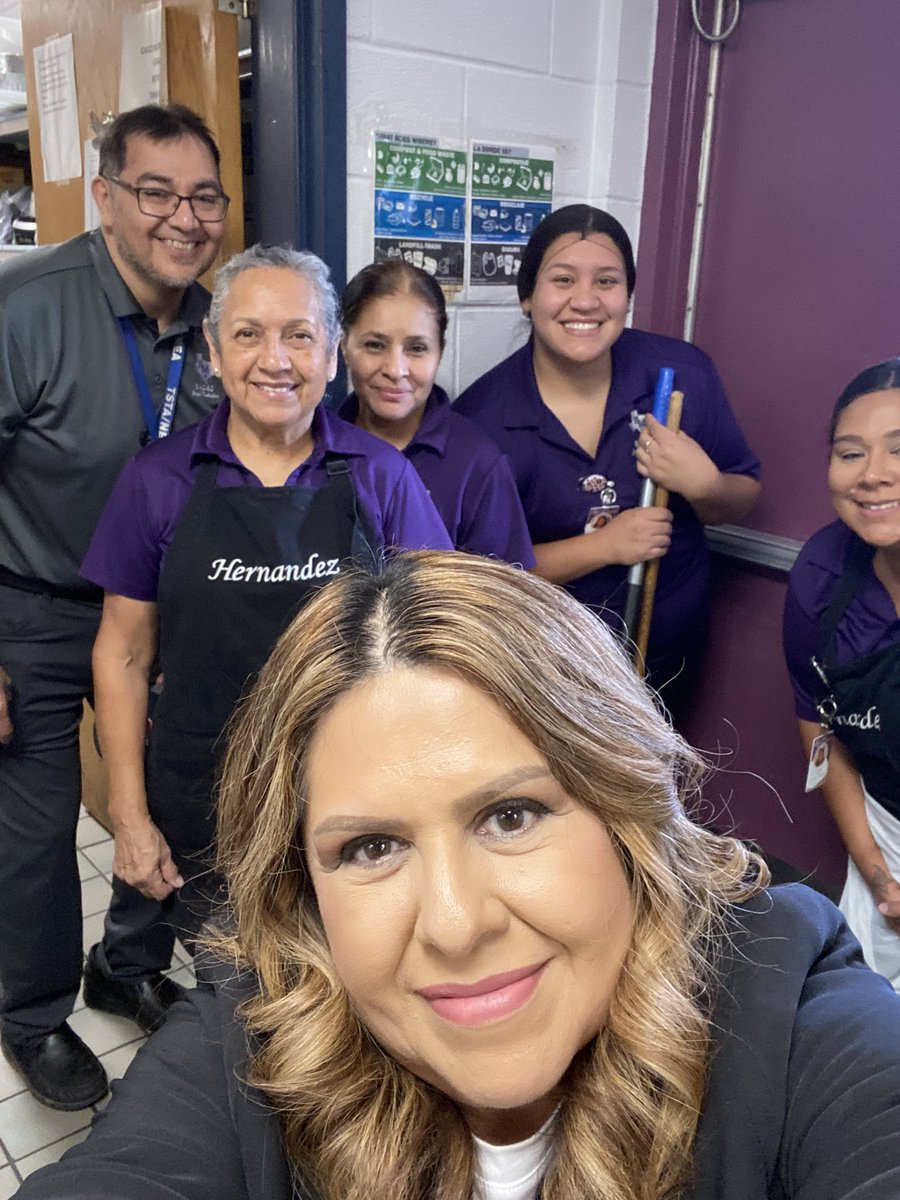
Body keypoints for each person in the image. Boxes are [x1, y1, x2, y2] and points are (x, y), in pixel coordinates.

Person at [16, 551, 900, 1200]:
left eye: (510, 817)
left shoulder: (785, 996)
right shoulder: (247, 1037)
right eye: (370, 848)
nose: (452, 922)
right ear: (302, 894)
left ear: (626, 809)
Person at [79, 243, 453, 1010]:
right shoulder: (159, 481)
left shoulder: (381, 477)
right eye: (247, 334)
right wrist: (129, 815)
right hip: (202, 789)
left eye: (299, 335)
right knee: (251, 997)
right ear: (214, 352)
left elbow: (440, 635)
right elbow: (121, 654)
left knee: (340, 979)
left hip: (349, 788)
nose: (274, 359)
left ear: (332, 354)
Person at [0, 103, 228, 1111]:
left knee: (164, 798)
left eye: (205, 196)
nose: (184, 217)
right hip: (35, 612)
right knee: (39, 829)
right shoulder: (30, 306)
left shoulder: (220, 326)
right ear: (105, 197)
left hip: (159, 617)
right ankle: (33, 1014)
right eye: (157, 192)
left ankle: (124, 966)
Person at [455, 204, 761, 709]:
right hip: (542, 671)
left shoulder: (683, 373)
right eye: (563, 279)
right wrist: (603, 547)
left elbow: (742, 494)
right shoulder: (481, 422)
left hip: (664, 663)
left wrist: (703, 485)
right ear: (527, 296)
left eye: (606, 281)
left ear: (627, 296)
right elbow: (480, 575)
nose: (585, 301)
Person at [784, 359, 900, 989]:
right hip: (883, 827)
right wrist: (876, 869)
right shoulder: (822, 574)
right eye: (851, 453)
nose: (873, 474)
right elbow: (817, 722)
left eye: (898, 449)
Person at [339, 260, 535, 565]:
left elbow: (502, 594)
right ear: (344, 345)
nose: (395, 370)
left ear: (440, 350)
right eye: (375, 345)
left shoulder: (477, 462)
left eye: (417, 349)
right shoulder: (318, 447)